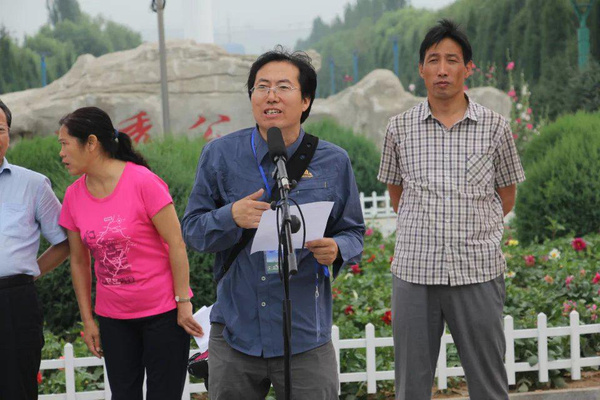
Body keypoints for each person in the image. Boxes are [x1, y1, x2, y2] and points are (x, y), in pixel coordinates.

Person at [182, 47, 365, 399]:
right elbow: (192, 230)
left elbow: (353, 231)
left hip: (305, 335)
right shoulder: (220, 155)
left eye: (283, 87)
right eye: (261, 87)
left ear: (306, 100)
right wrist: (229, 216)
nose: (271, 96)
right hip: (235, 333)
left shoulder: (334, 161)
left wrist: (337, 247)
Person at [378, 19, 525, 400]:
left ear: (468, 68)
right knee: (411, 387)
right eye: (433, 60)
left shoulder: (495, 127)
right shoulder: (399, 129)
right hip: (414, 273)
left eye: (452, 60)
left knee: (489, 384)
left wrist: (474, 231)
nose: (442, 69)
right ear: (421, 69)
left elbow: (506, 195)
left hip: (477, 271)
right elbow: (397, 196)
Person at [57, 107, 203, 400]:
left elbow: (176, 243)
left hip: (163, 313)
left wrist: (183, 302)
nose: (61, 153)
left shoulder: (143, 182)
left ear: (91, 142)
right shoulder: (73, 195)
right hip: (114, 318)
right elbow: (79, 261)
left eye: (65, 144)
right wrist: (88, 320)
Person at [0, 99, 70, 400]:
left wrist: (30, 273)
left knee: (17, 387)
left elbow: (65, 241)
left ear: (9, 133)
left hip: (14, 302)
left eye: (0, 129)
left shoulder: (33, 184)